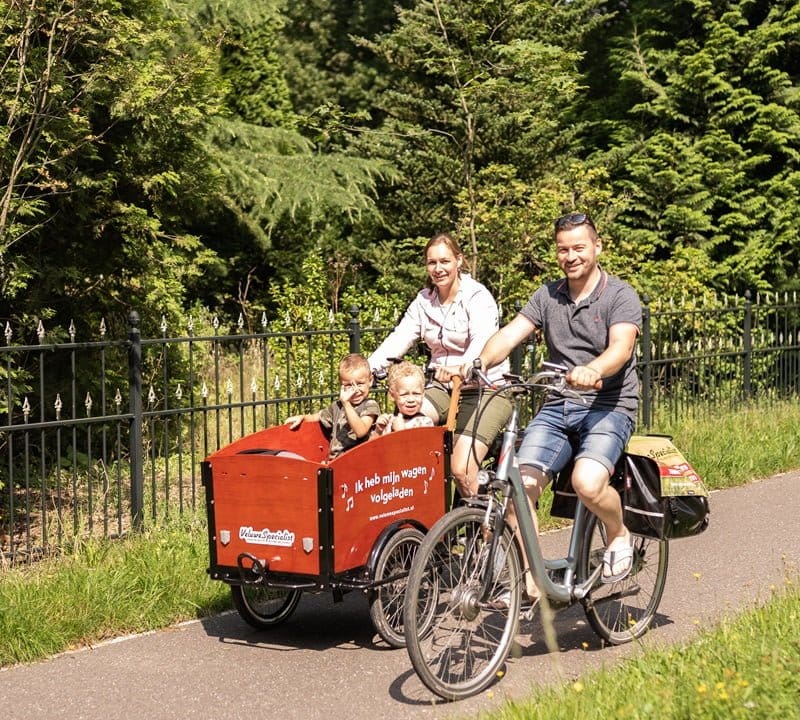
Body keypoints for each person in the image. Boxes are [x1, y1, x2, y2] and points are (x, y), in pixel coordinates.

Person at [467, 212, 641, 592]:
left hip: (607, 405)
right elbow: (510, 334)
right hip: (558, 405)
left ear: (597, 246)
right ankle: (534, 580)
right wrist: (478, 362)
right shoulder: (547, 294)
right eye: (563, 249)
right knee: (518, 489)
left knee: (588, 483)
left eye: (579, 247)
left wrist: (592, 369)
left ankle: (618, 532)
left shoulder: (620, 295)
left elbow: (621, 348)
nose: (571, 256)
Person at [369, 232, 512, 496]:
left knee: (462, 468)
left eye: (444, 261)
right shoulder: (424, 301)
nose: (438, 269)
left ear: (459, 261)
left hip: (486, 389)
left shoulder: (477, 298)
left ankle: (486, 529)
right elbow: (400, 337)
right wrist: (368, 370)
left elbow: (482, 341)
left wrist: (464, 366)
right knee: (407, 424)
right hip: (443, 388)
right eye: (431, 262)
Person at [285, 353, 380, 458]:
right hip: (335, 461)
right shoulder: (337, 407)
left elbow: (361, 431)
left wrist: (346, 404)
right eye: (348, 385)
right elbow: (317, 417)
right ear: (341, 385)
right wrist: (302, 418)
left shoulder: (370, 405)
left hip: (358, 461)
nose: (355, 390)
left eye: (360, 384)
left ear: (370, 381)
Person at [373, 361, 435, 435]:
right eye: (404, 395)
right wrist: (378, 431)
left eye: (416, 394)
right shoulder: (389, 421)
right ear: (392, 396)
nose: (411, 400)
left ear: (423, 394)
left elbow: (418, 446)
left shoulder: (425, 423)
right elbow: (371, 446)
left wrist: (401, 432)